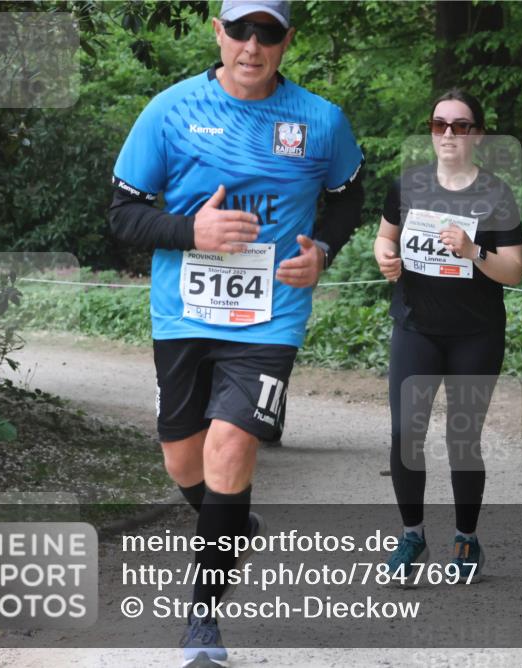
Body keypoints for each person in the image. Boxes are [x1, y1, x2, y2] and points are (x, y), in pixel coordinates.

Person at [108, 1, 364, 665]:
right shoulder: (168, 111)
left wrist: (324, 251)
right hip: (183, 314)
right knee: (182, 461)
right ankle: (232, 523)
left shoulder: (321, 121)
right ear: (218, 33)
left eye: (268, 32)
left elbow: (349, 197)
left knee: (230, 446)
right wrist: (191, 230)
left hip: (271, 317)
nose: (252, 45)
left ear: (286, 41)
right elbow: (124, 216)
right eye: (240, 30)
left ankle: (203, 625)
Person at [373, 89, 522, 583]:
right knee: (404, 436)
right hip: (416, 326)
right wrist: (384, 258)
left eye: (460, 126)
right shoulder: (409, 184)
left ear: (478, 134)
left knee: (463, 440)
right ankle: (412, 536)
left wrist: (473, 250)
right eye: (440, 124)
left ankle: (466, 539)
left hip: (475, 334)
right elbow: (385, 235)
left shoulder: (496, 193)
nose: (448, 134)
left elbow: (515, 271)